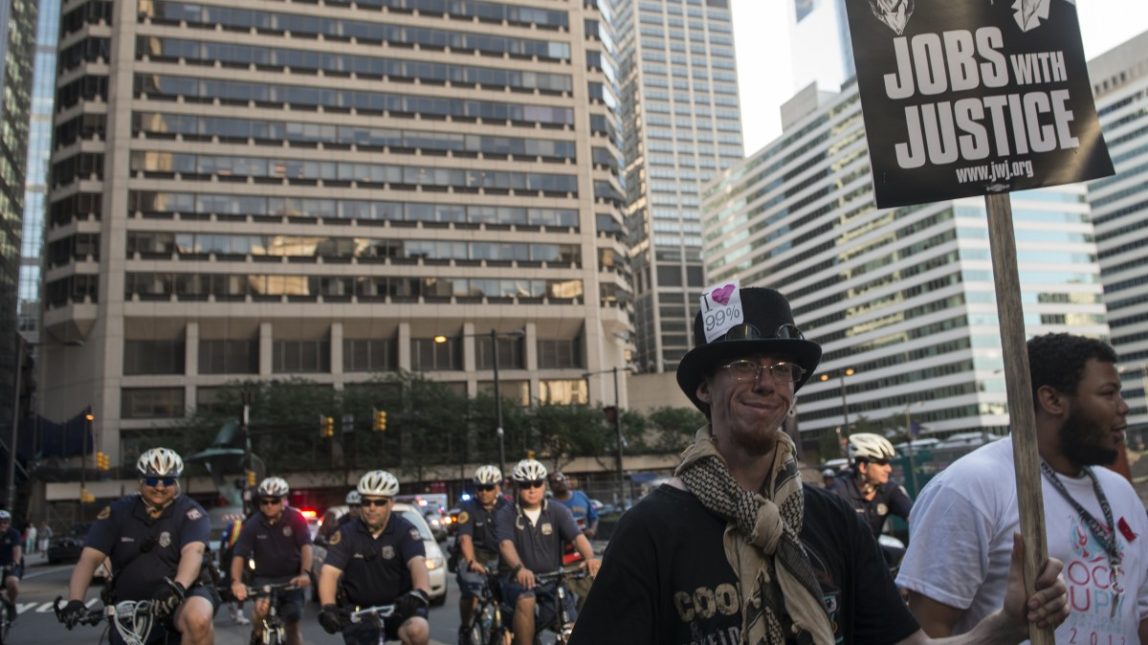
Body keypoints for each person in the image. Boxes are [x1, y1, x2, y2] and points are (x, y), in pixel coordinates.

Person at [570, 285, 1069, 644]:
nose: (767, 382)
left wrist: (1004, 625)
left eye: (782, 369)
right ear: (704, 387)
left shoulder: (834, 522)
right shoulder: (652, 530)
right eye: (743, 365)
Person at [897, 333, 1148, 641]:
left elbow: (1141, 615)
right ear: (1052, 400)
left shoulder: (1120, 492)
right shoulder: (971, 486)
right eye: (1109, 394)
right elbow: (928, 631)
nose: (1123, 408)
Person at [57, 447, 216, 644]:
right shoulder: (116, 513)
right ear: (141, 481)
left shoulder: (191, 512)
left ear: (176, 482)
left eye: (167, 481)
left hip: (182, 595)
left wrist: (177, 588)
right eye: (152, 480)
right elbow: (89, 559)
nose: (159, 487)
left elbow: (194, 551)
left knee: (197, 618)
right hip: (130, 604)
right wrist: (75, 601)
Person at [318, 470, 431, 645]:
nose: (372, 508)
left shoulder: (405, 530)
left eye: (379, 502)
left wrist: (420, 591)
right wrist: (328, 607)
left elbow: (417, 564)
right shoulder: (346, 534)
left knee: (417, 630)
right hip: (359, 612)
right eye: (366, 502)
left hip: (399, 608)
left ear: (391, 503)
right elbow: (329, 573)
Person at [495, 459, 600, 645]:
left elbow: (577, 537)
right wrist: (519, 569)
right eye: (526, 485)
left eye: (537, 483)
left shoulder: (557, 511)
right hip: (518, 581)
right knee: (526, 600)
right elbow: (505, 545)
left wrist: (590, 557)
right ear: (518, 487)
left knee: (573, 626)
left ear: (544, 485)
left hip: (552, 580)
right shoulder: (506, 513)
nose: (532, 489)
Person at [231, 477, 312, 645]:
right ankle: (258, 634)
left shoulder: (296, 518)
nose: (269, 505)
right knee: (261, 610)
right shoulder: (253, 523)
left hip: (292, 578)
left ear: (283, 500)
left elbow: (306, 548)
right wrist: (236, 582)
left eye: (274, 501)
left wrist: (305, 574)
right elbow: (239, 554)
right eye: (264, 501)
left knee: (293, 625)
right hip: (264, 578)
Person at [829, 432, 913, 565]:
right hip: (843, 560)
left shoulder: (890, 490)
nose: (889, 469)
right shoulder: (839, 491)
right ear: (863, 467)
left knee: (909, 560)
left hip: (872, 554)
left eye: (888, 463)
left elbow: (913, 515)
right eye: (882, 463)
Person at [455, 465, 509, 642]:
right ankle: (465, 626)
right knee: (471, 593)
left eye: (489, 488)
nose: (484, 492)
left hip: (500, 557)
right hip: (474, 556)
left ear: (498, 488)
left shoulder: (507, 507)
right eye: (480, 488)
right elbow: (465, 539)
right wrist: (471, 561)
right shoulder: (467, 507)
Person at [218, 511, 250, 625]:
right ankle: (236, 610)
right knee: (236, 583)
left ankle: (237, 611)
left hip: (239, 559)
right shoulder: (234, 527)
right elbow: (223, 543)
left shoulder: (248, 528)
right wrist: (222, 561)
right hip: (231, 558)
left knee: (240, 582)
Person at [548, 471, 599, 539]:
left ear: (567, 481)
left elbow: (594, 517)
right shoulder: (549, 505)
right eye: (556, 481)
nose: (560, 482)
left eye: (562, 479)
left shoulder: (581, 496)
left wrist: (592, 530)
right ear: (550, 486)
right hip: (562, 547)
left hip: (585, 545)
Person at [0, 511, 22, 619]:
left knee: (12, 583)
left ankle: (12, 604)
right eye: (0, 522)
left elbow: (17, 549)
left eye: (5, 522)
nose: (3, 524)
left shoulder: (14, 533)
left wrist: (15, 562)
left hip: (10, 565)